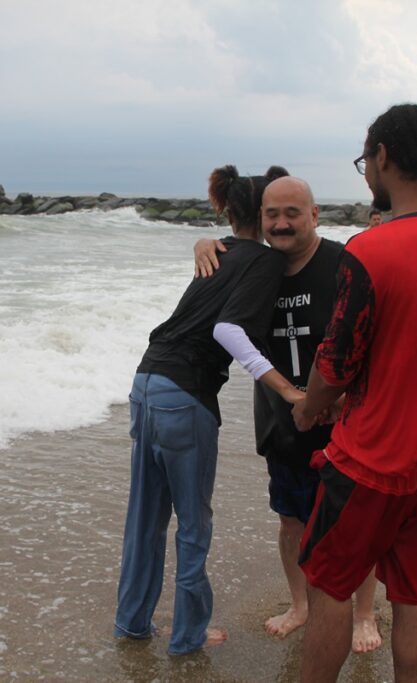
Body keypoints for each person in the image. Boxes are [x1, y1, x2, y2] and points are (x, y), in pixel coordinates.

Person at [291, 103, 417, 682]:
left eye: (365, 160)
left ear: (383, 156)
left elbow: (336, 364)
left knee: (328, 585)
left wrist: (308, 407)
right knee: (411, 594)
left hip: (370, 459)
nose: (367, 174)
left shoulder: (371, 251)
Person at [113, 164, 305, 656]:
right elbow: (229, 331)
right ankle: (188, 637)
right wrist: (288, 391)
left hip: (145, 379)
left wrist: (202, 242)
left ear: (229, 210)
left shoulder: (216, 250)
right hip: (185, 395)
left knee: (146, 518)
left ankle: (133, 624)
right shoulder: (264, 262)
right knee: (193, 526)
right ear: (261, 216)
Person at [193, 177, 382, 651]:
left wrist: (344, 397)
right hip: (282, 421)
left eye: (292, 213)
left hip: (344, 424)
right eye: (271, 214)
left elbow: (375, 338)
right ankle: (300, 604)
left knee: (354, 527)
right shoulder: (257, 268)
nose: (280, 223)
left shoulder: (344, 264)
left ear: (315, 215)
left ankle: (364, 613)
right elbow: (218, 281)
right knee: (291, 520)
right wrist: (202, 244)